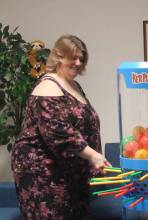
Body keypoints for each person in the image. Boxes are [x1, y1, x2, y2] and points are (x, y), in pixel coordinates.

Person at [11, 34, 111, 219]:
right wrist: (93, 155)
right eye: (73, 57)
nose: (78, 62)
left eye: (82, 58)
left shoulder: (74, 85)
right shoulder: (48, 86)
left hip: (68, 171)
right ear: (58, 57)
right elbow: (58, 132)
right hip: (43, 172)